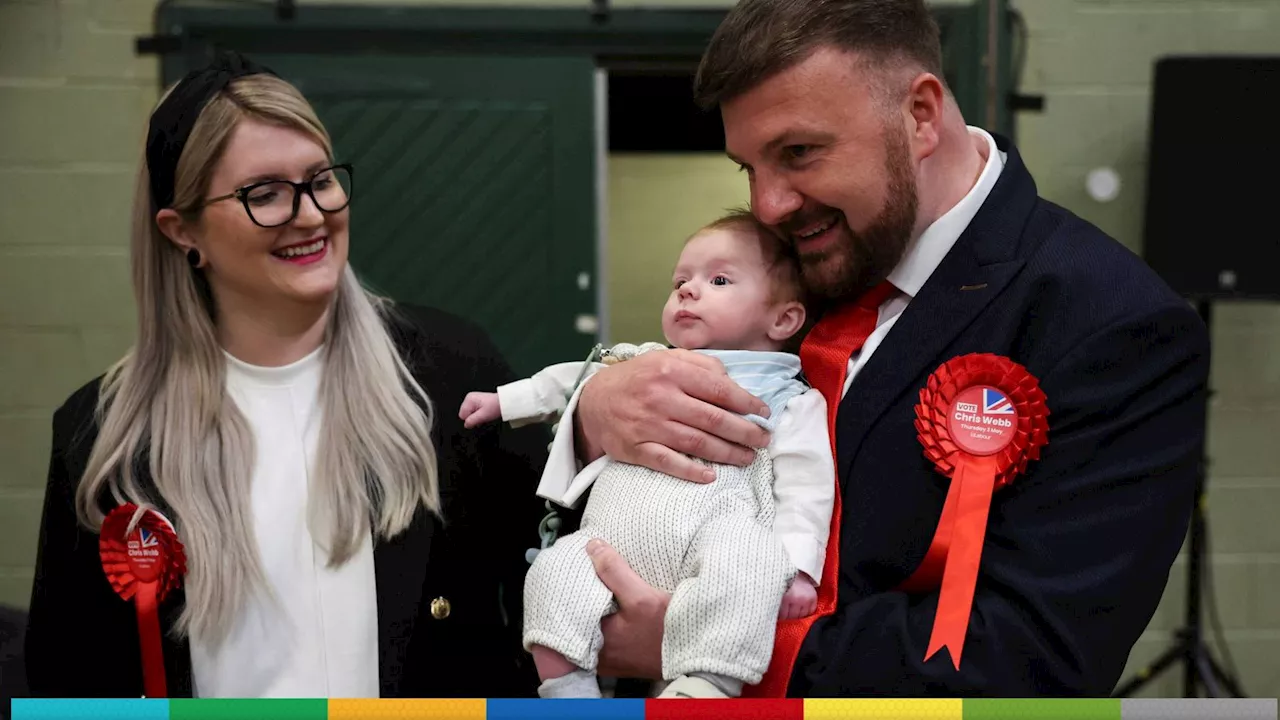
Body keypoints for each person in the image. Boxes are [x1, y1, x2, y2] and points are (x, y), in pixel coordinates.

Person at [546, 0, 1210, 698]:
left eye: (798, 153)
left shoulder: (1110, 322)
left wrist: (716, 643)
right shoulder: (787, 268)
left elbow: (1031, 657)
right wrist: (596, 416)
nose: (768, 204)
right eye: (749, 167)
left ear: (920, 114)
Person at [24, 53, 547, 699]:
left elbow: (553, 581)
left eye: (319, 179)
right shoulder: (103, 433)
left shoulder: (449, 371)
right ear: (182, 230)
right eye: (264, 194)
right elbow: (68, 682)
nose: (308, 213)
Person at [459, 212, 835, 699]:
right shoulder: (643, 364)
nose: (688, 290)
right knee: (553, 572)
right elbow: (571, 378)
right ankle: (567, 689)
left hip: (716, 537)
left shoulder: (789, 396)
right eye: (681, 280)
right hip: (610, 541)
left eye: (718, 279)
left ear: (783, 318)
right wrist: (505, 401)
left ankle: (705, 684)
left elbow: (807, 483)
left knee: (749, 561)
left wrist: (800, 567)